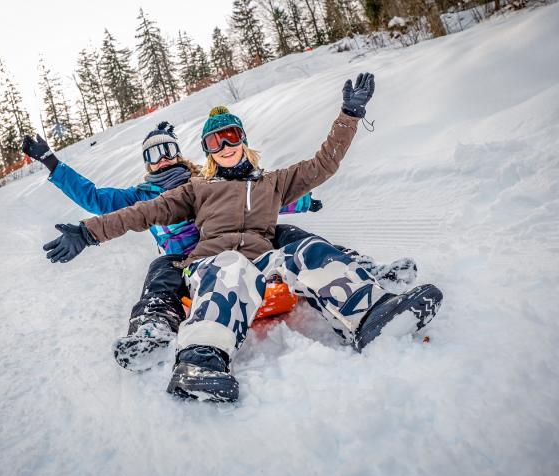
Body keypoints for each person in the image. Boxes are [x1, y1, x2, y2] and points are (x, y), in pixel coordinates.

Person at [42, 72, 442, 402]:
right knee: (226, 265)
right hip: (212, 265)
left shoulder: (273, 182)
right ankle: (199, 359)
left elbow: (323, 164)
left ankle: (373, 314)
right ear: (208, 152)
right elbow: (142, 212)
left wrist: (348, 117)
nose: (225, 146)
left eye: (231, 136)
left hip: (265, 264)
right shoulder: (196, 189)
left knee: (305, 246)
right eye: (215, 142)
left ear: (243, 140)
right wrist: (88, 232)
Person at [23, 123, 325, 372]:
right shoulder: (140, 196)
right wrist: (52, 162)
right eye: (153, 154)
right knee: (162, 268)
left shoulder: (205, 181)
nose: (162, 158)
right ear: (147, 163)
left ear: (178, 154)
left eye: (167, 149)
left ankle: (338, 272)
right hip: (190, 264)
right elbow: (96, 199)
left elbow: (253, 198)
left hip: (238, 249)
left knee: (283, 233)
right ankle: (152, 329)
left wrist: (304, 201)